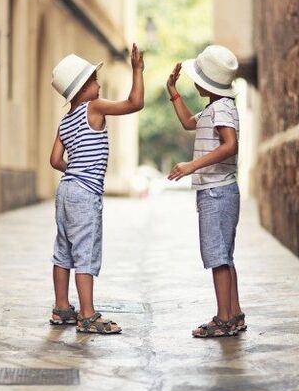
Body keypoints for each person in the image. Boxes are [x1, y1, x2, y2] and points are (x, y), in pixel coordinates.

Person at [49, 44, 145, 334]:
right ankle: (88, 315)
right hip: (84, 193)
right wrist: (137, 70)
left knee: (62, 251)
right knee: (85, 253)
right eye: (92, 81)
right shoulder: (95, 107)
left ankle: (62, 308)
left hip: (65, 191)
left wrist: (75, 170)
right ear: (80, 90)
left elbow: (54, 160)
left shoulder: (65, 120)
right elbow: (134, 103)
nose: (99, 84)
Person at [166, 45, 246, 338]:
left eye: (197, 77)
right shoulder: (214, 107)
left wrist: (192, 165)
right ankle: (234, 314)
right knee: (224, 256)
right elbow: (189, 123)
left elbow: (229, 144)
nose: (194, 82)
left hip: (217, 192)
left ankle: (224, 319)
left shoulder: (222, 108)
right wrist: (173, 91)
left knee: (217, 258)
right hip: (217, 192)